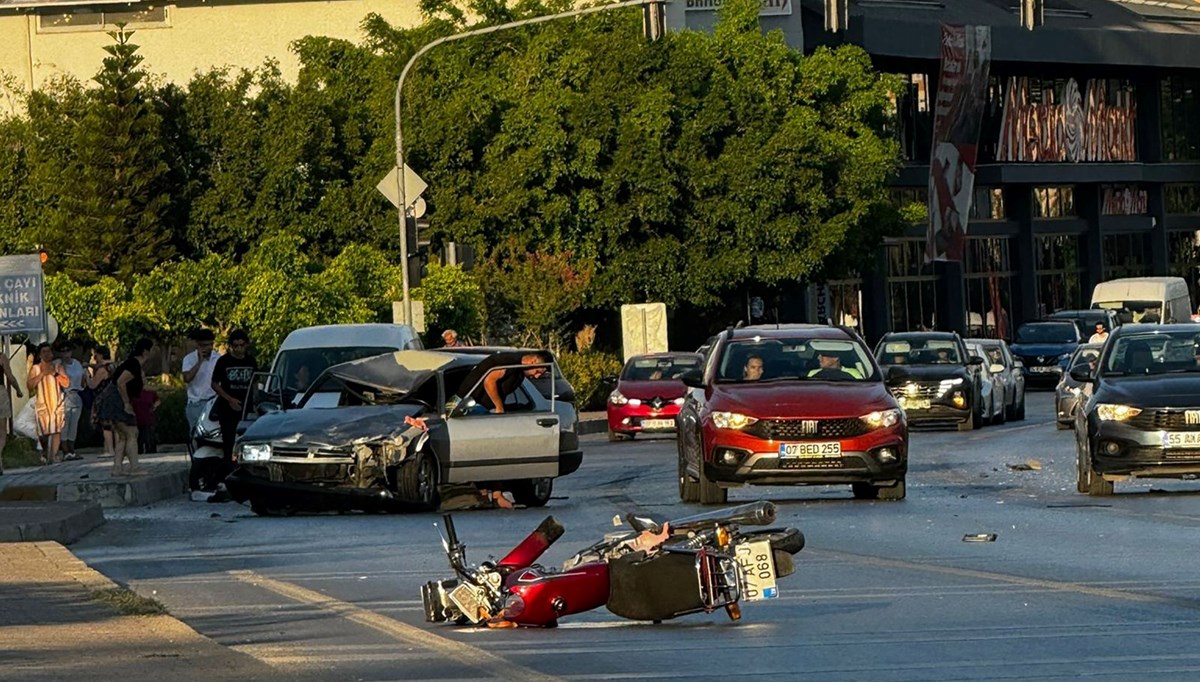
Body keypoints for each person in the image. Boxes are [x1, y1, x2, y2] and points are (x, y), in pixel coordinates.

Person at [103, 338, 153, 476]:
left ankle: (117, 468)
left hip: (111, 400)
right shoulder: (134, 364)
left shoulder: (133, 365)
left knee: (123, 435)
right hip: (117, 400)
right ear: (145, 352)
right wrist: (126, 403)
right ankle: (134, 467)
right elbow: (120, 382)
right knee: (132, 432)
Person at [211, 329, 257, 474]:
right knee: (229, 442)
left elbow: (256, 382)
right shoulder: (224, 361)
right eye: (235, 346)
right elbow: (214, 384)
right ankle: (228, 472)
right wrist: (229, 399)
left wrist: (255, 402)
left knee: (248, 441)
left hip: (246, 408)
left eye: (241, 345)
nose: (238, 349)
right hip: (227, 409)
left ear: (246, 345)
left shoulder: (251, 361)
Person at [455, 351, 548, 414]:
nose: (537, 376)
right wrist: (499, 407)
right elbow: (489, 381)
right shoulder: (510, 362)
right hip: (471, 406)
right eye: (538, 372)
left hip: (481, 408)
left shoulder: (519, 371)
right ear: (533, 361)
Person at [26, 342, 68, 465]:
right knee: (43, 432)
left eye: (49, 351)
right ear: (40, 354)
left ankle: (53, 455)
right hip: (43, 404)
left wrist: (55, 374)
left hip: (56, 403)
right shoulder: (36, 368)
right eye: (44, 352)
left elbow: (66, 383)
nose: (47, 354)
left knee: (56, 430)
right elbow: (29, 385)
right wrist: (42, 374)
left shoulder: (57, 366)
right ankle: (45, 451)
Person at [181, 329, 220, 436]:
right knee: (195, 434)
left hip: (213, 401)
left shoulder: (217, 358)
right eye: (204, 345)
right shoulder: (189, 359)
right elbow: (187, 378)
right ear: (198, 345)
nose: (208, 348)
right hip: (195, 402)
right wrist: (200, 362)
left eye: (210, 345)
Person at [55, 340, 86, 461]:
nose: (65, 354)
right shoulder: (59, 364)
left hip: (76, 394)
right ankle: (65, 450)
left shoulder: (76, 364)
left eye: (67, 351)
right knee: (65, 424)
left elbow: (82, 378)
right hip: (65, 395)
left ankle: (72, 449)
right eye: (62, 351)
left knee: (74, 424)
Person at [88, 346, 117, 459]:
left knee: (106, 425)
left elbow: (93, 385)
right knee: (115, 425)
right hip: (114, 398)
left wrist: (87, 375)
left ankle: (110, 449)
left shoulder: (102, 370)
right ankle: (116, 449)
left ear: (100, 355)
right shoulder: (113, 366)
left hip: (103, 399)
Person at [0, 348, 23, 475]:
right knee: (2, 431)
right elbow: (10, 377)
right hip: (0, 393)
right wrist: (18, 390)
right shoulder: (2, 357)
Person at [132, 387, 160, 454]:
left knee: (149, 436)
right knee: (139, 436)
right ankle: (139, 450)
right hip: (137, 418)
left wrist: (154, 406)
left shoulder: (150, 392)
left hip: (148, 417)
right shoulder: (132, 393)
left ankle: (150, 450)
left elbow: (157, 400)